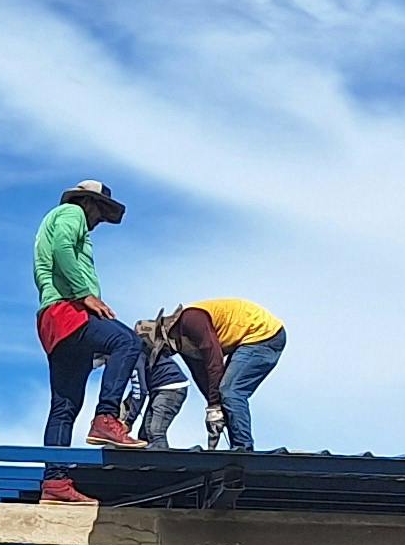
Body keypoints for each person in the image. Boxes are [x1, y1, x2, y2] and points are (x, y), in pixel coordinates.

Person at [32, 181, 145, 480]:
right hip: (68, 310)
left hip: (52, 322)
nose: (98, 221)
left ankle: (55, 481)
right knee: (127, 342)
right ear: (90, 203)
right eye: (101, 212)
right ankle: (107, 416)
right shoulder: (72, 212)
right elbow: (62, 248)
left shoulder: (59, 218)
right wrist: (85, 293)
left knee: (65, 405)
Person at [134, 297, 290, 452]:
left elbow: (214, 361)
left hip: (263, 335)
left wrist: (215, 406)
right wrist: (213, 408)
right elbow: (202, 376)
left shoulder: (191, 320)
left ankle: (243, 448)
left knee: (231, 392)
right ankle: (238, 447)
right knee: (225, 394)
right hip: (246, 340)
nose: (168, 354)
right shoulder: (184, 345)